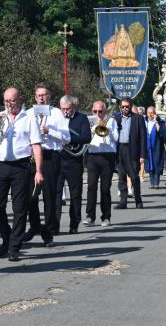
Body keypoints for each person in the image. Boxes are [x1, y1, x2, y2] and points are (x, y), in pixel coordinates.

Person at [0, 87, 43, 261]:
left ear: (19, 99)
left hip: (21, 166)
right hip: (1, 165)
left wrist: (38, 171)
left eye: (12, 101)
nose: (9, 104)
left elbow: (36, 145)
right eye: (6, 101)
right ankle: (7, 237)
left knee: (19, 208)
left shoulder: (28, 119)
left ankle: (14, 246)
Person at [24, 84, 69, 247]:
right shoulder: (28, 113)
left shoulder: (56, 113)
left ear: (49, 97)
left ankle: (50, 230)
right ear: (35, 97)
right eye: (39, 95)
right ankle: (35, 226)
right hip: (32, 157)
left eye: (45, 95)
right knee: (30, 196)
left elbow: (67, 137)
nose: (42, 98)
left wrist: (50, 131)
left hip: (50, 155)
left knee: (50, 196)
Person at [56, 95, 92, 233]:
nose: (65, 112)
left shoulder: (81, 118)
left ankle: (74, 224)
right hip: (58, 160)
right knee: (56, 194)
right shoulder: (56, 118)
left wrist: (69, 139)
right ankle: (54, 225)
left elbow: (87, 137)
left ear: (73, 106)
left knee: (75, 195)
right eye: (63, 109)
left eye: (68, 109)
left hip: (74, 161)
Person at [86, 100, 118, 226]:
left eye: (100, 111)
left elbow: (116, 138)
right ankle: (90, 216)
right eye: (95, 111)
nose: (98, 114)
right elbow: (85, 137)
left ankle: (106, 217)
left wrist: (107, 130)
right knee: (91, 187)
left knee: (105, 188)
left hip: (107, 156)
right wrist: (93, 130)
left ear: (105, 111)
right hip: (93, 156)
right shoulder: (89, 121)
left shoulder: (111, 121)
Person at [114, 97, 146, 207]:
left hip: (132, 150)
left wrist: (142, 155)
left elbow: (143, 138)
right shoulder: (116, 118)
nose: (124, 109)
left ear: (130, 107)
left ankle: (138, 200)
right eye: (122, 107)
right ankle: (123, 202)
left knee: (134, 176)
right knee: (121, 176)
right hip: (119, 150)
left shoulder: (138, 118)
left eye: (126, 107)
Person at [143, 106, 164, 189]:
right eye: (149, 112)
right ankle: (152, 183)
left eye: (152, 112)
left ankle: (156, 183)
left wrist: (156, 120)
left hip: (157, 146)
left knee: (156, 164)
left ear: (155, 114)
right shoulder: (145, 122)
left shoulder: (159, 122)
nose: (150, 114)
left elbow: (159, 130)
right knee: (149, 164)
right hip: (147, 147)